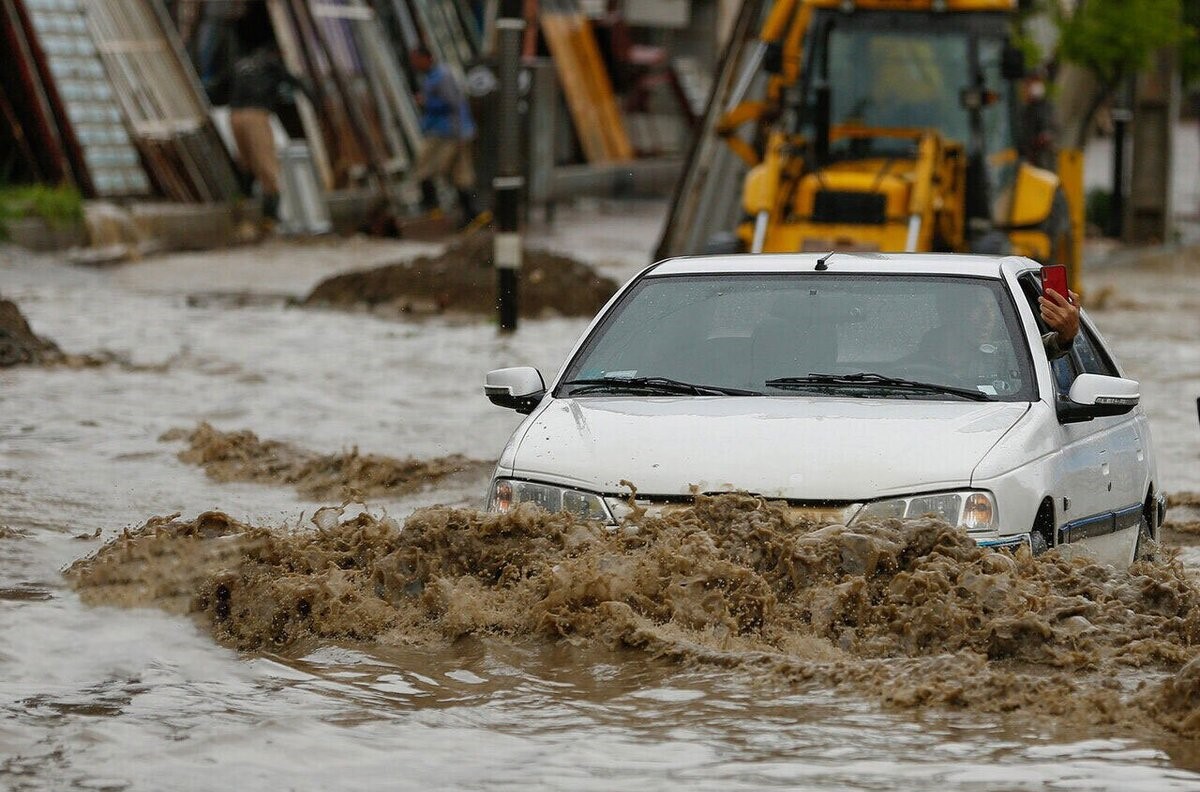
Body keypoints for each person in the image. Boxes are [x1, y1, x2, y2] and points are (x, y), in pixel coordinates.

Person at [228, 42, 308, 228]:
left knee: (245, 164)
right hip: (256, 115)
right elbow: (296, 83)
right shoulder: (271, 63)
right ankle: (270, 218)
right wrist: (315, 101)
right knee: (267, 166)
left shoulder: (241, 65)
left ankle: (240, 212)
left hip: (234, 116)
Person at [409, 46, 480, 225]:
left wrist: (427, 102)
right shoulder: (434, 77)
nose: (414, 64)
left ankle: (434, 208)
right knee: (460, 174)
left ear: (427, 58)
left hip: (448, 133)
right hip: (453, 131)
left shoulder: (442, 76)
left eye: (416, 60)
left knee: (425, 168)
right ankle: (472, 213)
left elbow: (453, 103)